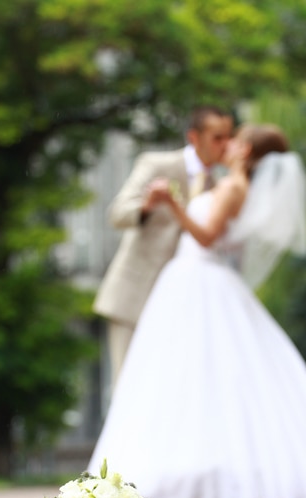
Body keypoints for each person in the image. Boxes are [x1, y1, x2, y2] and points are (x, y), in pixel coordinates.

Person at [88, 123, 306, 498]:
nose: (230, 144)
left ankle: (197, 475)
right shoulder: (232, 185)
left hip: (198, 277)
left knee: (198, 375)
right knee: (187, 376)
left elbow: (206, 236)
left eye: (238, 140)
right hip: (190, 279)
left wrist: (172, 206)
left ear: (248, 153)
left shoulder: (234, 187)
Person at [93, 105, 234, 382]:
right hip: (135, 297)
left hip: (182, 306)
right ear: (194, 138)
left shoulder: (222, 187)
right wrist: (147, 206)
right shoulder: (158, 165)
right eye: (217, 137)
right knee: (128, 386)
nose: (225, 145)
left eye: (228, 137)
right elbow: (117, 214)